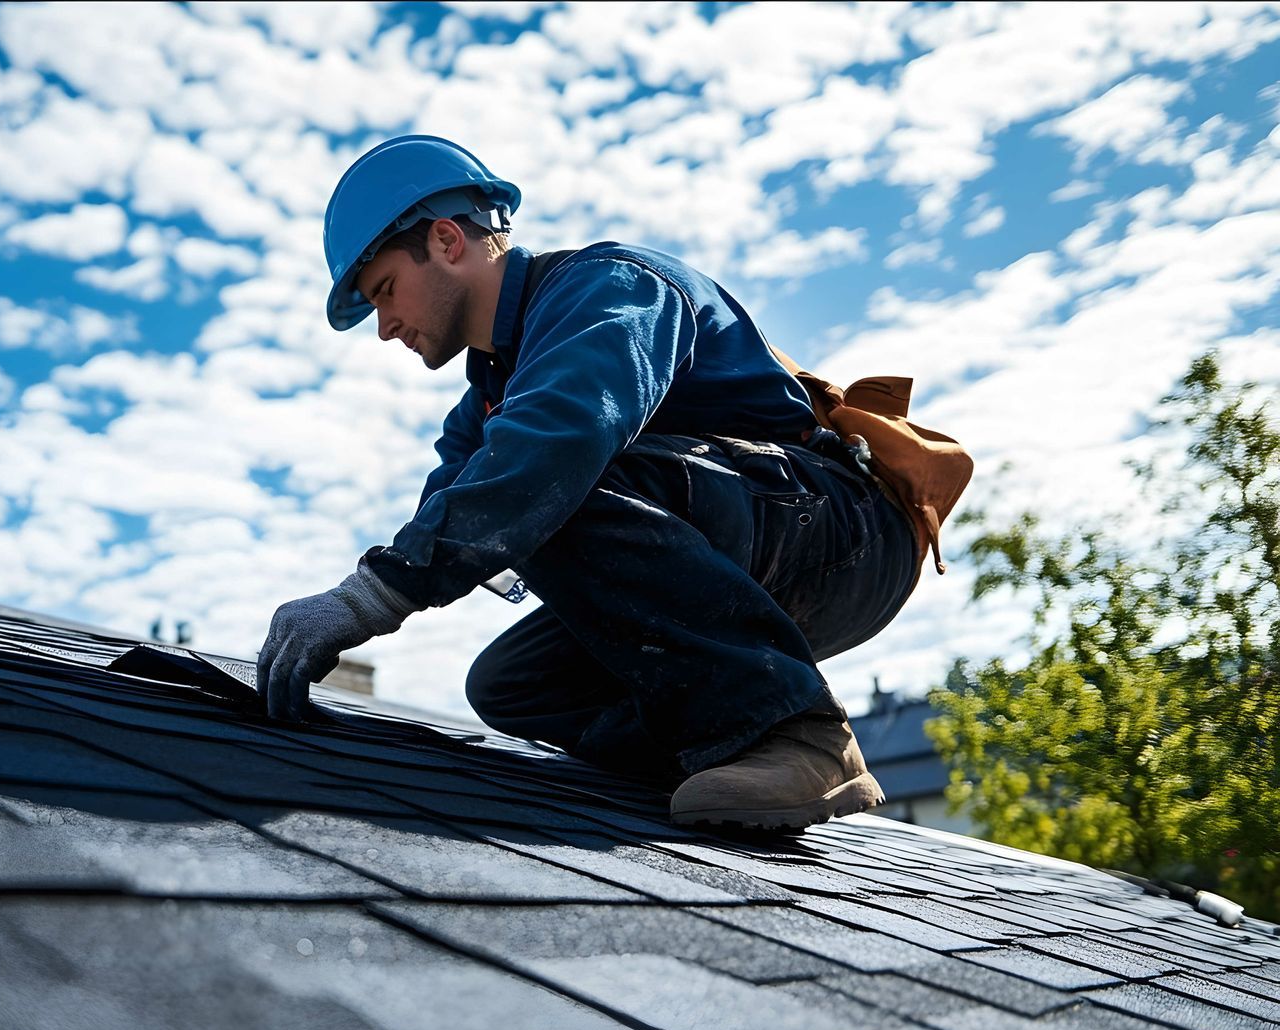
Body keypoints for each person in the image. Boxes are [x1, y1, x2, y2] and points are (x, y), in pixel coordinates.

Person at [255, 135, 929, 832]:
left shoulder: (611, 289)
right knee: (512, 684)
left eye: (385, 291)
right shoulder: (490, 398)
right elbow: (452, 510)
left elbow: (550, 451)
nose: (385, 328)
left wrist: (369, 599)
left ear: (448, 240)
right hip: (753, 552)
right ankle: (709, 758)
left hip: (846, 536)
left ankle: (795, 735)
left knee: (545, 488)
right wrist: (347, 607)